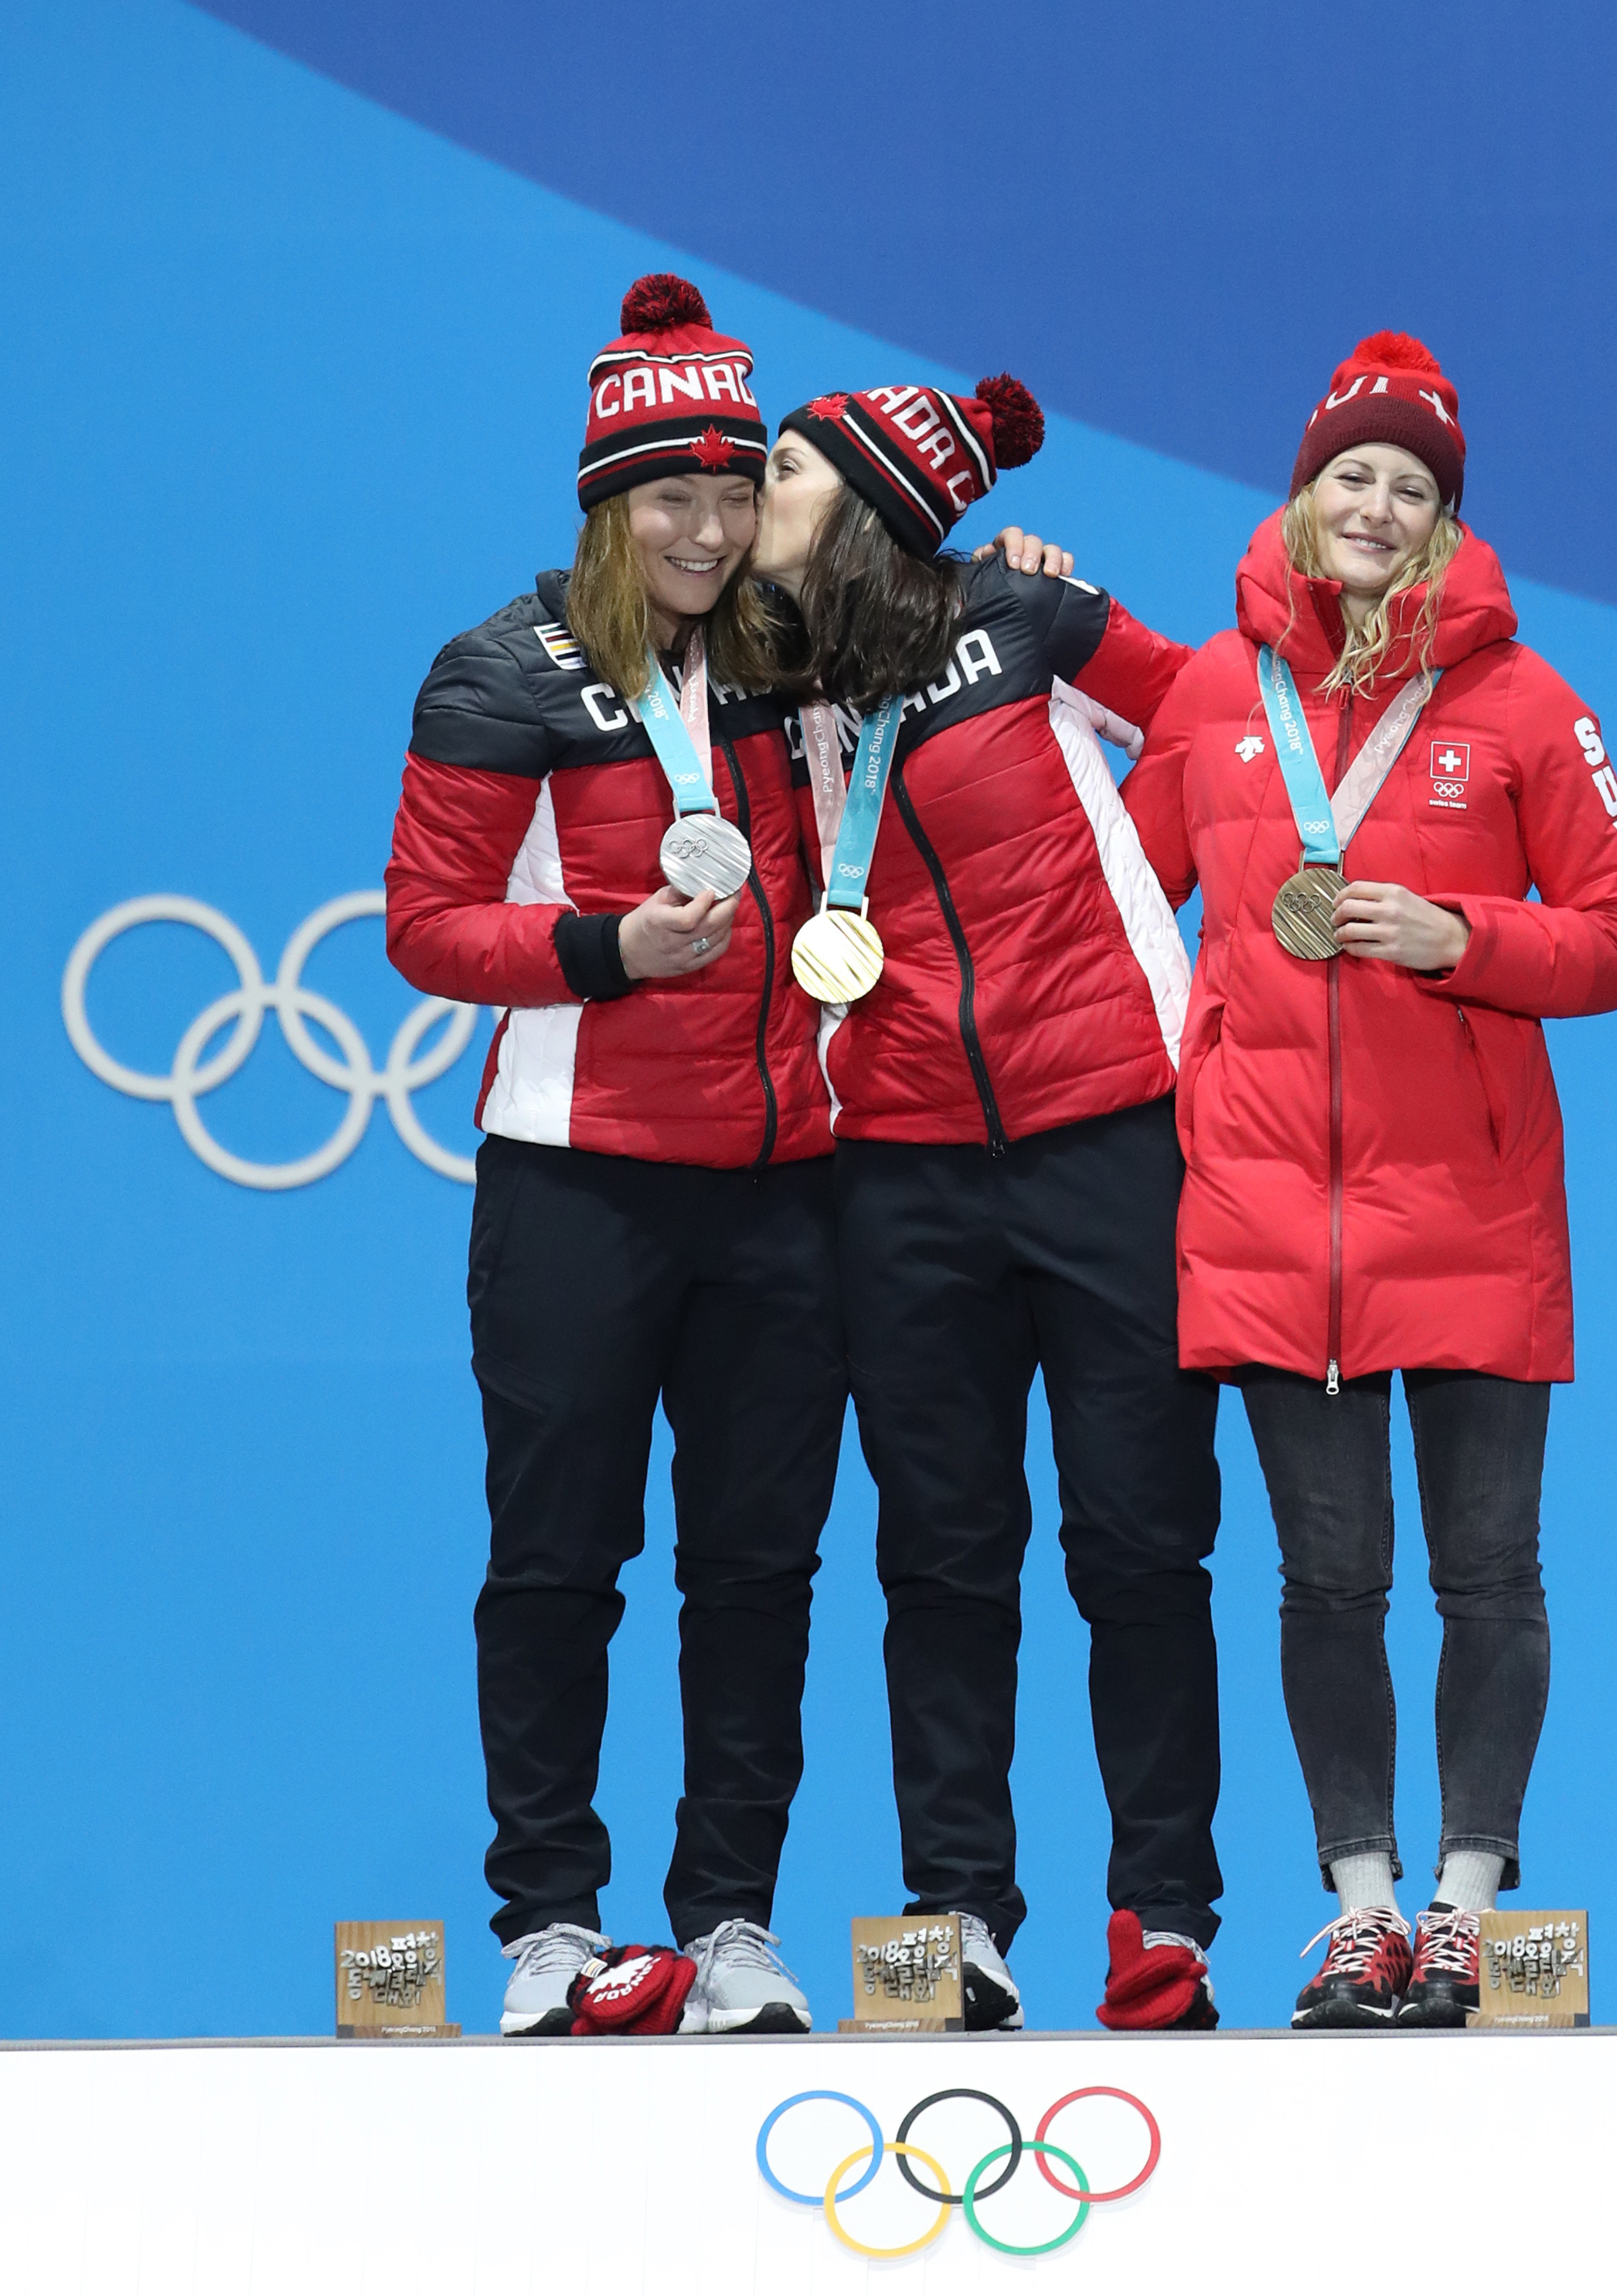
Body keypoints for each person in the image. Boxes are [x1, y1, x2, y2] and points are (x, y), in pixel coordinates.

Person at [1124, 332, 1617, 2026]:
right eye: (1350, 475)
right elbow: (1120, 918)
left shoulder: (1526, 705)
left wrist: (1465, 935)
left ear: (1444, 524)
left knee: (1489, 1573)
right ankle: (1360, 1911)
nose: (1375, 505)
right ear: (1302, 496)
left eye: (1410, 488)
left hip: (1473, 1204)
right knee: (1325, 1580)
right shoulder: (1214, 696)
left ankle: (1466, 1904)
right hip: (1268, 1209)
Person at [385, 274, 846, 2036]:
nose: (711, 530)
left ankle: (732, 1923)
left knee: (757, 1566)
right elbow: (425, 926)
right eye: (673, 497)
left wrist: (1023, 570)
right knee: (556, 1559)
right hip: (575, 1178)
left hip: (785, 1187)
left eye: (735, 494)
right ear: (606, 501)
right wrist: (599, 948)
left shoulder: (799, 657)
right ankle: (551, 1931)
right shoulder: (501, 670)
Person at [749, 373, 1225, 2032]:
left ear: (874, 497)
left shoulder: (1021, 605)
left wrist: (1126, 913)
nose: (757, 481)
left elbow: (1218, 729)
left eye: (789, 463)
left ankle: (1163, 1910)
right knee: (944, 1557)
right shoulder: (759, 672)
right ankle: (960, 1914)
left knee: (1142, 1544)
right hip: (898, 1164)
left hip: (1108, 1142)